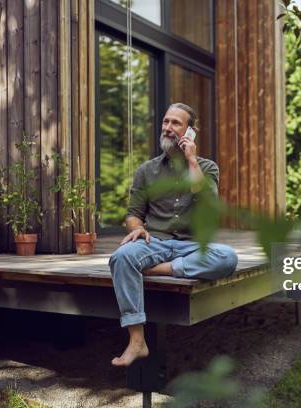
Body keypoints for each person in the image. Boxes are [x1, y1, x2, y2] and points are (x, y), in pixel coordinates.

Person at [108, 103, 239, 367]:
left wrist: (191, 160)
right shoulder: (147, 170)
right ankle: (137, 340)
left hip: (191, 246)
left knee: (228, 258)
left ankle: (156, 270)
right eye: (165, 122)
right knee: (121, 257)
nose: (167, 128)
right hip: (154, 241)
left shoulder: (207, 167)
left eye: (175, 123)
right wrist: (138, 228)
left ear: (191, 131)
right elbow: (133, 214)